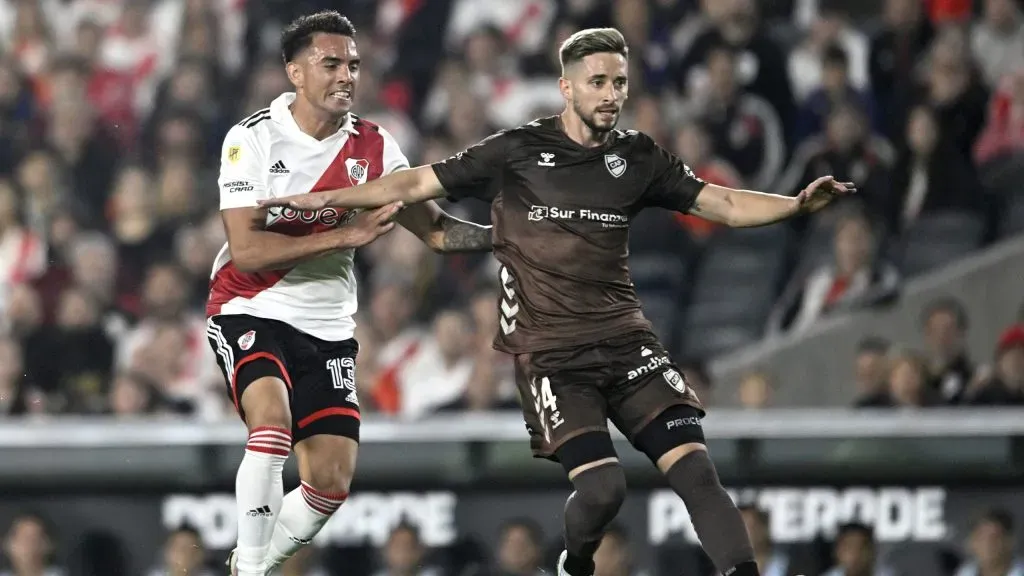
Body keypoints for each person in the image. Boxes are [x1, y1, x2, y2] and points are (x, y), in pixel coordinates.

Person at [261, 27, 854, 576]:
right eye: (598, 81)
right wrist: (326, 198)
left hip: (628, 344)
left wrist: (794, 204)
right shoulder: (516, 151)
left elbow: (720, 204)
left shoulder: (639, 158)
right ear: (566, 87)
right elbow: (415, 183)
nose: (612, 93)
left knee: (698, 473)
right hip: (552, 355)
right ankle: (575, 561)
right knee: (604, 491)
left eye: (620, 81)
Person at [206, 12, 492, 576]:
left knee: (329, 487)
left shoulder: (377, 146)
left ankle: (247, 563)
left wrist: (513, 238)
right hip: (249, 304)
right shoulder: (252, 138)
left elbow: (435, 231)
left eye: (353, 65)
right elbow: (246, 250)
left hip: (329, 325)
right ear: (295, 72)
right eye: (330, 63)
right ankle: (255, 570)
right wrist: (348, 234)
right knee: (271, 425)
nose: (346, 76)